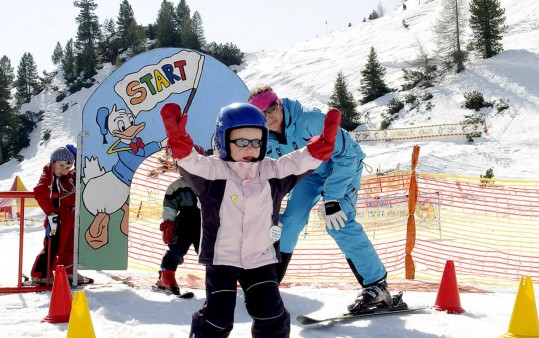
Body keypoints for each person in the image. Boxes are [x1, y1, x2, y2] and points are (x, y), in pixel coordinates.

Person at [160, 101, 340, 337]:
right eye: (242, 141)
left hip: (261, 259)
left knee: (271, 315)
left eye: (257, 142)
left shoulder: (272, 172)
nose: (250, 148)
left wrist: (318, 150)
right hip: (223, 259)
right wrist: (180, 142)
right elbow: (192, 162)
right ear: (224, 140)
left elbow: (295, 162)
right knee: (217, 319)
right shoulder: (213, 173)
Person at [248, 86, 390, 312]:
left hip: (342, 166)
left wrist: (332, 198)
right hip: (309, 174)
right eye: (261, 113)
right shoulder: (265, 138)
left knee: (338, 221)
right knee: (290, 220)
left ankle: (377, 286)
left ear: (280, 103)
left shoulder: (310, 120)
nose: (269, 116)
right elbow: (273, 172)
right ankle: (270, 280)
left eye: (272, 107)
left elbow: (347, 155)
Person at [30, 146, 93, 285]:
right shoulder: (48, 175)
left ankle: (68, 272)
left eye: (67, 166)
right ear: (53, 163)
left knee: (71, 246)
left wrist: (78, 161)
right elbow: (39, 191)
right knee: (53, 246)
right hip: (57, 218)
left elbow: (78, 174)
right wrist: (51, 211)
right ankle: (40, 274)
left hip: (70, 216)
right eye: (61, 165)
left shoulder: (68, 176)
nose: (63, 169)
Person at [155, 147, 205, 295]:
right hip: (184, 223)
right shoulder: (176, 187)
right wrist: (168, 224)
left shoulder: (211, 183)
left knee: (210, 251)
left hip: (206, 223)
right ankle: (167, 275)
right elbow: (170, 207)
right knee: (176, 250)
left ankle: (220, 277)